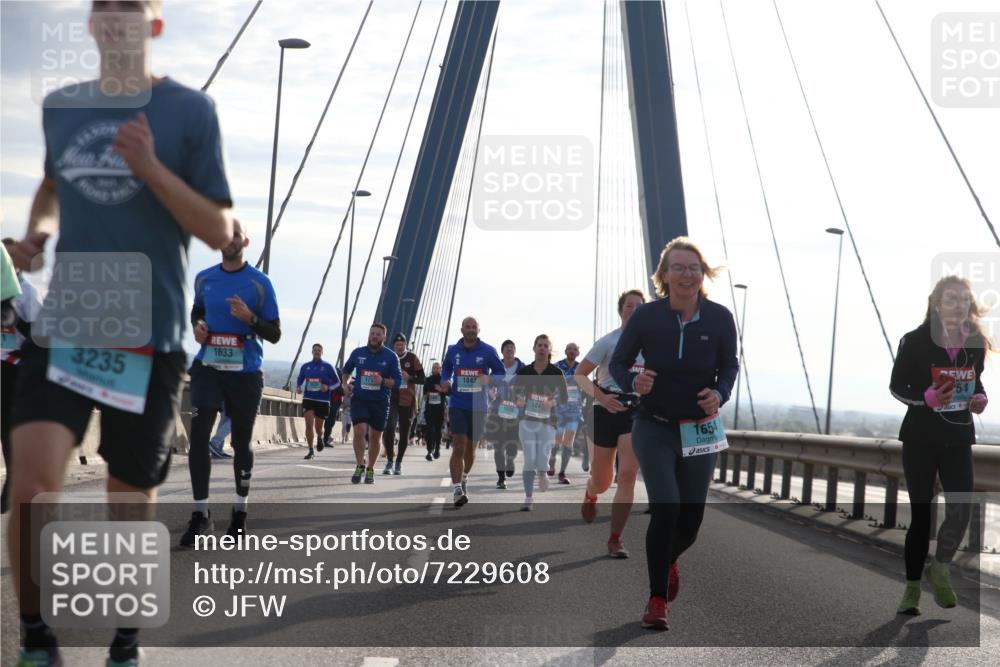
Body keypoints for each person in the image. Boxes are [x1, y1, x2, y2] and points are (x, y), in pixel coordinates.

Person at [7, 2, 234, 663]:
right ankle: (37, 640)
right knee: (30, 485)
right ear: (91, 25)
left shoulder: (191, 112)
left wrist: (152, 168)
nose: (113, 16)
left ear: (153, 27)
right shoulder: (62, 107)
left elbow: (219, 230)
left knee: (126, 498)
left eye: (129, 7)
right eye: (102, 6)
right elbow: (52, 184)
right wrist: (38, 235)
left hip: (147, 332)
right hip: (68, 324)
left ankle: (124, 643)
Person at [610, 237, 738, 631]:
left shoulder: (720, 318)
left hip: (700, 429)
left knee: (691, 522)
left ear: (703, 275)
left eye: (694, 268)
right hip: (654, 425)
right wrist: (636, 381)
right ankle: (656, 600)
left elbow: (729, 368)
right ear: (664, 276)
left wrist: (719, 394)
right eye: (678, 268)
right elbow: (619, 363)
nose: (687, 274)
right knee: (666, 507)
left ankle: (667, 558)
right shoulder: (646, 317)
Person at [890, 276, 990, 615]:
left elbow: (977, 382)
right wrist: (926, 398)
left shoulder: (974, 343)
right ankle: (912, 589)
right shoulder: (915, 340)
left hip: (959, 436)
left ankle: (941, 567)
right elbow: (895, 387)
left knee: (961, 508)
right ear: (936, 304)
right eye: (952, 299)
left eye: (964, 299)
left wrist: (980, 398)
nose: (959, 304)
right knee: (922, 516)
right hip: (920, 437)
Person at [182, 219, 280, 545]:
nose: (230, 239)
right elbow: (197, 313)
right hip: (208, 368)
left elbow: (275, 333)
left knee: (240, 443)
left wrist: (249, 319)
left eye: (235, 234)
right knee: (198, 438)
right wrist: (197, 327)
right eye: (225, 234)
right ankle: (201, 515)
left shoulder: (259, 284)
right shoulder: (204, 279)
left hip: (245, 373)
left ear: (245, 241)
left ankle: (239, 512)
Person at [575, 289, 646, 558]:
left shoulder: (652, 345)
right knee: (603, 481)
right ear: (621, 310)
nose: (635, 310)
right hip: (604, 410)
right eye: (630, 306)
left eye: (640, 306)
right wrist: (603, 398)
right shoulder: (608, 341)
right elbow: (580, 375)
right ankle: (591, 492)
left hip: (635, 411)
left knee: (627, 474)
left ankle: (615, 539)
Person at [439, 316, 506, 507]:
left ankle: (465, 476)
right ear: (461, 330)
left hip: (478, 407)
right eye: (467, 327)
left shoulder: (488, 350)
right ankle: (457, 488)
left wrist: (488, 379)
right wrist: (445, 380)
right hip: (458, 404)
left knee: (471, 449)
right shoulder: (453, 350)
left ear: (478, 330)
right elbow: (446, 368)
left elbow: (500, 373)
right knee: (459, 444)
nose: (470, 330)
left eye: (474, 327)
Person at [1, 238, 43, 515]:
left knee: (9, 430)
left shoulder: (28, 292)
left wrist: (15, 319)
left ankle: (13, 487)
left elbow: (41, 337)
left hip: (13, 367)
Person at [513, 335, 568, 510]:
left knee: (542, 457)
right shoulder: (524, 372)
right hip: (527, 421)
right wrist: (519, 399)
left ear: (549, 350)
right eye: (540, 345)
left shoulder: (556, 373)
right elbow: (515, 394)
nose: (542, 348)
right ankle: (528, 497)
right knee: (529, 459)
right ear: (534, 348)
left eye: (546, 346)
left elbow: (564, 397)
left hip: (547, 422)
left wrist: (552, 402)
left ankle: (543, 473)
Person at [342, 323, 401, 485]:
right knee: (359, 432)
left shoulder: (391, 357)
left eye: (378, 334)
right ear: (369, 335)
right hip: (360, 399)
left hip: (380, 402)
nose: (375, 336)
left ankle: (370, 468)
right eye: (372, 333)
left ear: (384, 337)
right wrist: (345, 383)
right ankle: (360, 464)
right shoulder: (358, 353)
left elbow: (397, 382)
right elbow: (346, 370)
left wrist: (382, 381)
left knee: (375, 438)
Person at [382, 333, 424, 475]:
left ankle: (398, 462)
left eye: (402, 344)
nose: (399, 347)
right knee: (389, 429)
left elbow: (422, 378)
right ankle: (389, 461)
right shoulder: (388, 357)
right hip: (391, 398)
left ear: (405, 345)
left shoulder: (412, 358)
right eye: (397, 345)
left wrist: (410, 377)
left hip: (407, 400)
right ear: (394, 346)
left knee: (405, 433)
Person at [487, 339, 523, 489]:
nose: (509, 350)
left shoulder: (522, 369)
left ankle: (510, 460)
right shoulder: (495, 368)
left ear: (515, 351)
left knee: (513, 444)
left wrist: (523, 396)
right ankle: (501, 477)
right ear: (502, 351)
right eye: (506, 348)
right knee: (498, 445)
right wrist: (491, 393)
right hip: (497, 412)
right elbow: (488, 387)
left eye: (512, 348)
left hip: (515, 413)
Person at [296, 343, 339, 459]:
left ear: (322, 352)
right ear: (312, 352)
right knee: (308, 424)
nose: (317, 352)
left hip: (323, 401)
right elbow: (300, 378)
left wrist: (328, 387)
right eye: (315, 350)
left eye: (319, 350)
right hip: (308, 398)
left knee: (318, 428)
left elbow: (337, 382)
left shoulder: (328, 366)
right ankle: (310, 450)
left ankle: (320, 437)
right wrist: (299, 386)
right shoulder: (306, 366)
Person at [551, 342, 583, 483]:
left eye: (574, 349)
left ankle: (562, 473)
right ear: (565, 351)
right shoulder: (557, 366)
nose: (571, 351)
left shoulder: (582, 367)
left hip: (574, 410)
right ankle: (551, 463)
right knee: (557, 440)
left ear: (578, 353)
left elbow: (588, 386)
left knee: (568, 442)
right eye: (569, 348)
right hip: (559, 408)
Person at [423, 361, 447, 460]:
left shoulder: (444, 380)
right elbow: (424, 396)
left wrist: (441, 390)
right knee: (429, 430)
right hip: (429, 409)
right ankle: (429, 451)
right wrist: (427, 394)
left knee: (437, 430)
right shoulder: (428, 380)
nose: (436, 369)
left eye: (438, 368)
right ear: (432, 369)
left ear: (441, 369)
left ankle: (437, 448)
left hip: (440, 409)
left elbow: (449, 392)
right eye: (434, 368)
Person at [324, 382, 345, 447]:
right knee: (330, 421)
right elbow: (342, 392)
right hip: (333, 403)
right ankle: (326, 439)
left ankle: (326, 437)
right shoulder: (336, 383)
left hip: (332, 403)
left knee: (329, 421)